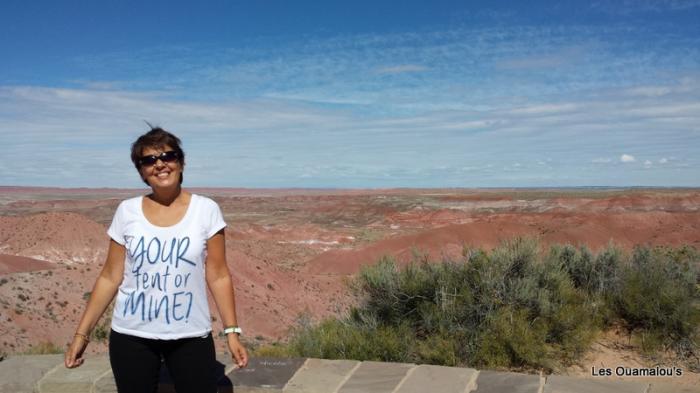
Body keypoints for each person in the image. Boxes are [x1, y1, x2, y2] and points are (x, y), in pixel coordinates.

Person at [64, 127, 248, 393]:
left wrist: (232, 332)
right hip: (131, 336)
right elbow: (110, 276)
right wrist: (82, 335)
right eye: (149, 160)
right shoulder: (127, 211)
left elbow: (218, 274)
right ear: (141, 171)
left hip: (190, 335)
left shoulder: (206, 210)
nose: (160, 163)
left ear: (181, 162)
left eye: (168, 156)